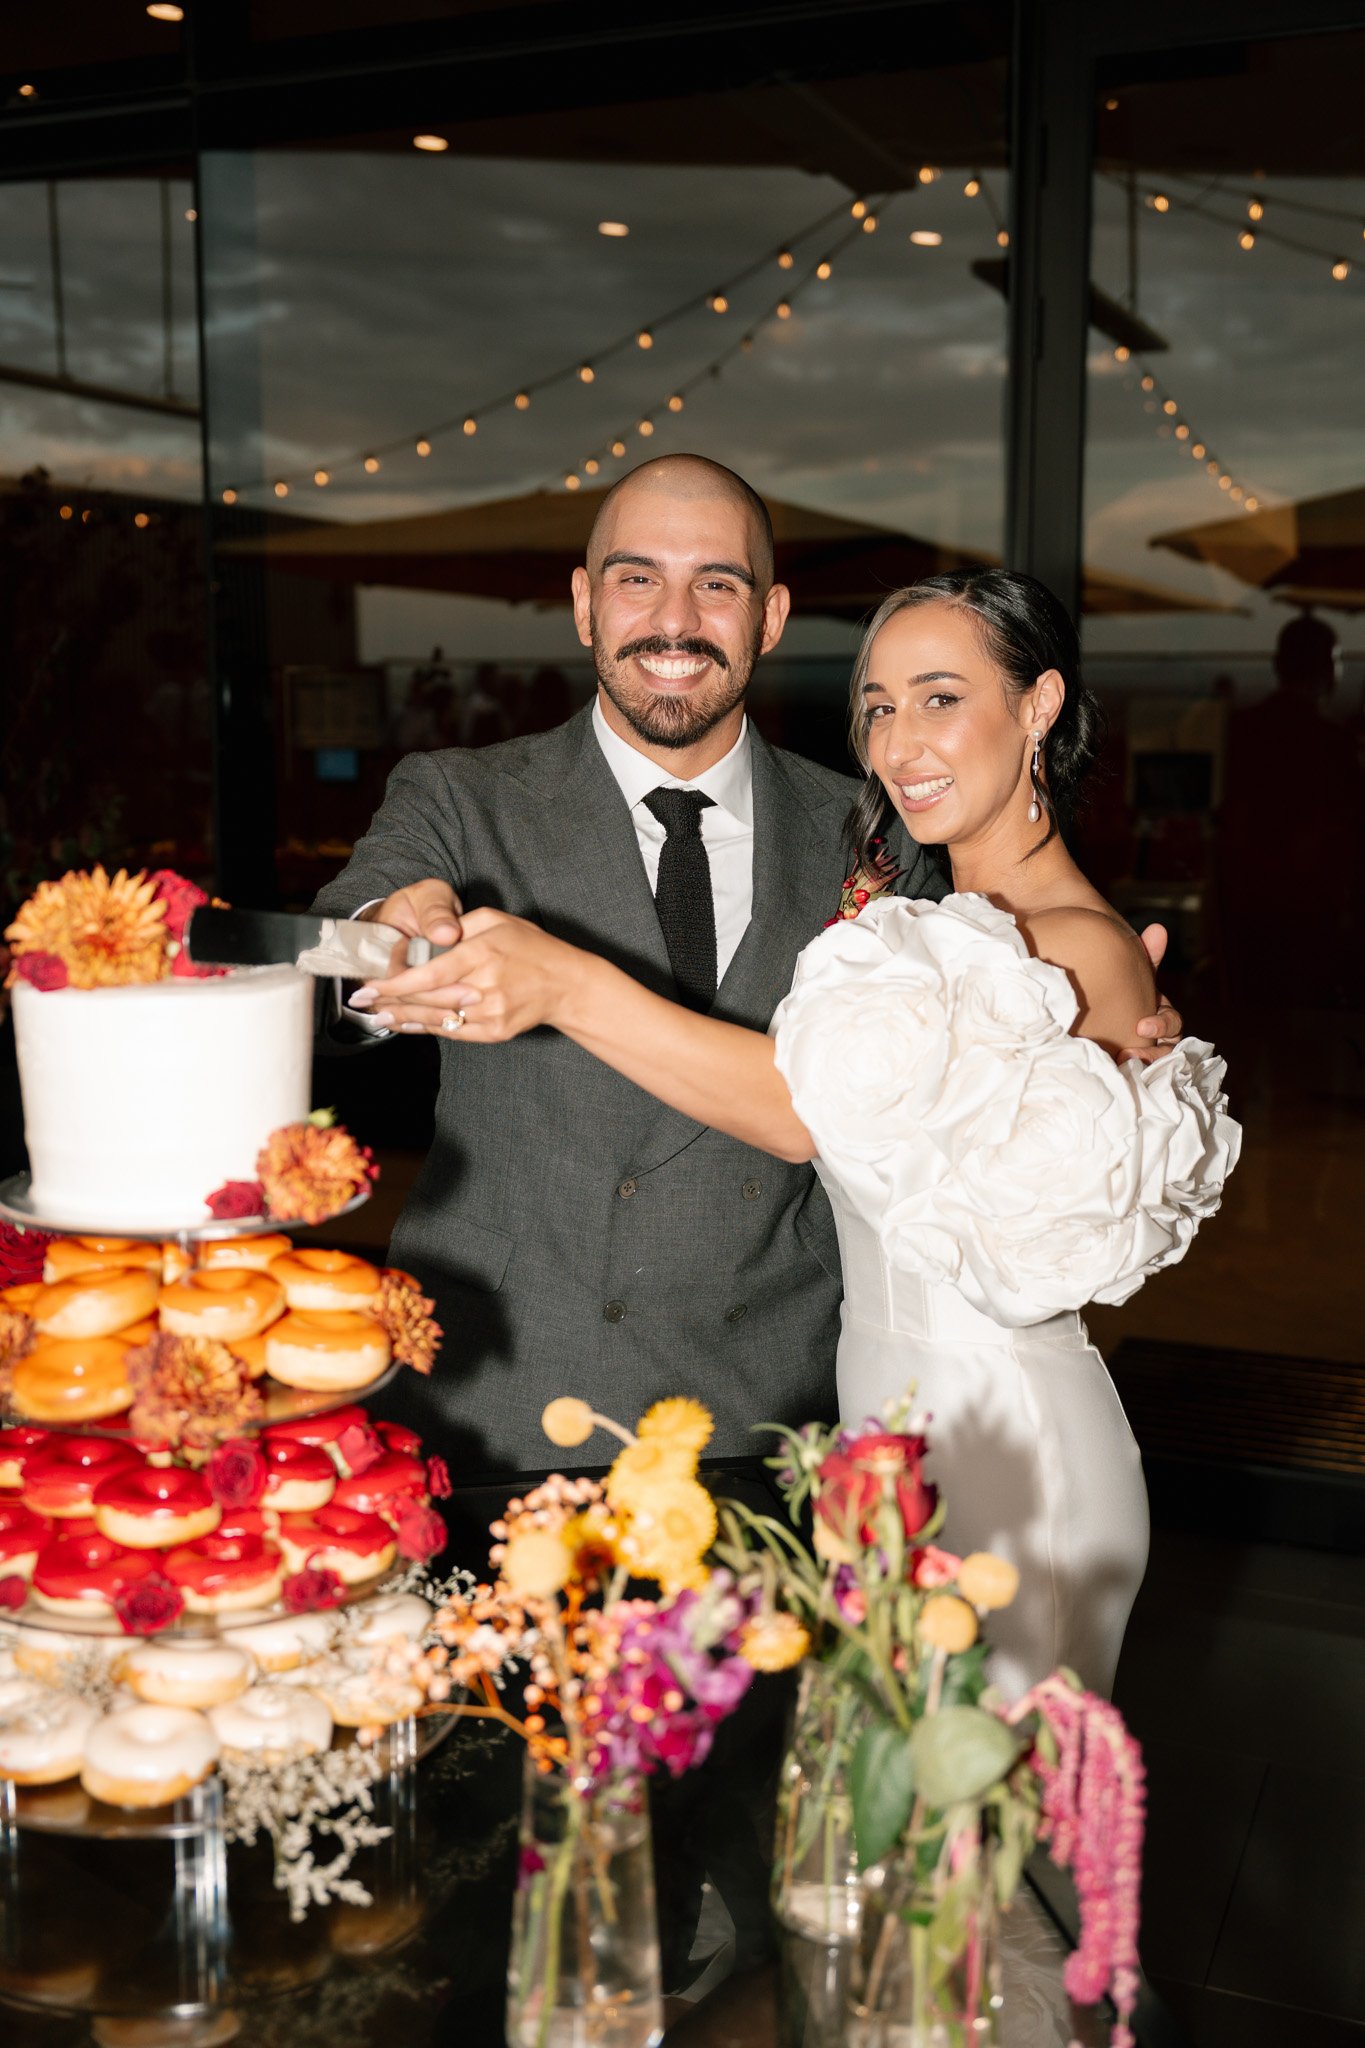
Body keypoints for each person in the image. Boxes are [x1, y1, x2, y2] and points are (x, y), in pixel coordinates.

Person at [356, 567, 1238, 1699]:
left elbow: (800, 1109)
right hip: (880, 1425)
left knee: (991, 1837)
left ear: (1039, 706)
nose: (898, 741)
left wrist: (569, 984)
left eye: (939, 697)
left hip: (998, 1438)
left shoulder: (1072, 948)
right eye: (875, 705)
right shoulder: (935, 916)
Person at [319, 457, 1179, 1485]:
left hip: (776, 1417)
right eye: (637, 579)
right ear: (585, 603)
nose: (674, 620)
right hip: (499, 1398)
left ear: (769, 617)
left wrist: (1108, 1020)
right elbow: (335, 963)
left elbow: (996, 1035)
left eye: (715, 584)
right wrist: (390, 935)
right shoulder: (461, 795)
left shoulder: (879, 838)